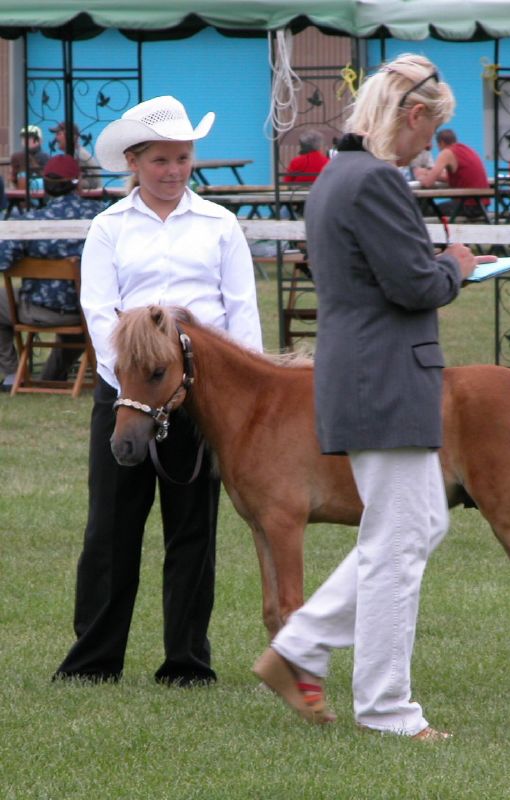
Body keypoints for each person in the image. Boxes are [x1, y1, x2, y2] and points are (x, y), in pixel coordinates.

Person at [253, 54, 495, 740]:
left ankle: (297, 650)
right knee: (398, 543)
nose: (429, 147)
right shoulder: (377, 184)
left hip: (363, 375)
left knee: (419, 527)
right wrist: (456, 265)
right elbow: (415, 286)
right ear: (413, 115)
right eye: (430, 131)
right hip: (385, 378)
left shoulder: (335, 177)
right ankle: (386, 708)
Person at [52, 95, 262, 685]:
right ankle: (94, 660)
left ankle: (187, 661)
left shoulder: (221, 226)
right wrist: (133, 389)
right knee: (110, 529)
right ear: (135, 163)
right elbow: (98, 313)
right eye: (161, 160)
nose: (173, 171)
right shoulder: (107, 229)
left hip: (199, 400)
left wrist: (239, 397)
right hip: (127, 396)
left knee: (193, 531)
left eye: (183, 159)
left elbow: (241, 315)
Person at [0, 155, 105, 391]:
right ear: (77, 182)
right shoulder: (102, 216)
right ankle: (51, 376)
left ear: (45, 184)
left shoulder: (31, 221)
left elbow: (3, 260)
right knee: (80, 326)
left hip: (38, 310)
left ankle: (11, 374)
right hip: (88, 310)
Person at [413, 128, 491, 219]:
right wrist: (428, 172)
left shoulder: (447, 153)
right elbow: (448, 177)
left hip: (468, 206)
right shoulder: (466, 149)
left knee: (424, 211)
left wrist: (421, 176)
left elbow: (427, 183)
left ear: (441, 143)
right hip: (482, 206)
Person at [50, 121, 102, 190]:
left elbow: (92, 183)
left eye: (59, 134)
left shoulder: (78, 155)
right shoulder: (74, 153)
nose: (56, 138)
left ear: (72, 137)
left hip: (89, 196)